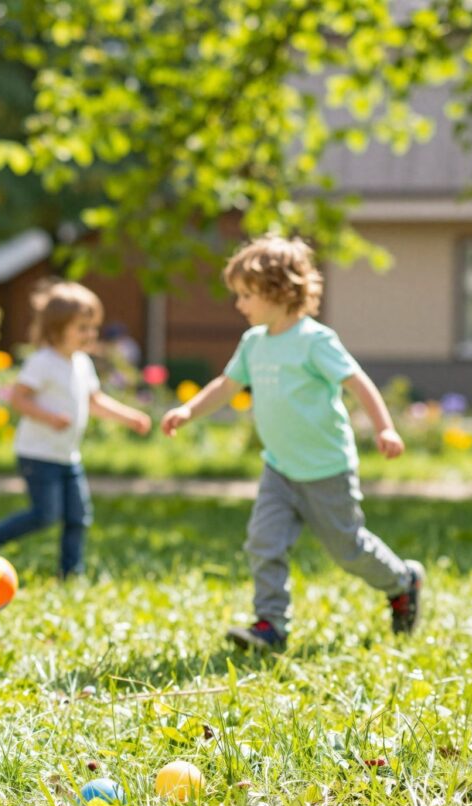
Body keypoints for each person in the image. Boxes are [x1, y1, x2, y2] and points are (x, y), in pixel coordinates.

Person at [160, 234, 424, 652]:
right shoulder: (254, 343)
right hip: (279, 467)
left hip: (327, 470)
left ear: (280, 291)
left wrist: (385, 427)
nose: (239, 304)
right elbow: (227, 386)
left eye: (247, 295)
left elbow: (359, 383)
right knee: (264, 542)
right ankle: (271, 625)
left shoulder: (315, 340)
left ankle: (403, 582)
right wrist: (189, 410)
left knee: (348, 550)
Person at [0, 281, 152, 578]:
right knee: (45, 515)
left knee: (78, 517)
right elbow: (18, 398)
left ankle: (70, 574)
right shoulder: (43, 362)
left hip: (68, 456)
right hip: (38, 454)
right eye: (82, 327)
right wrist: (49, 417)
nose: (91, 334)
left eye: (93, 327)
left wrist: (130, 417)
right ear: (56, 328)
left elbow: (95, 401)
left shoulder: (82, 363)